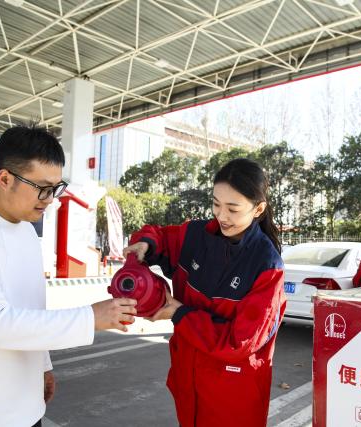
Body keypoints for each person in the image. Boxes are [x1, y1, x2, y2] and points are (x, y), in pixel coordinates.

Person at [0, 125, 137, 427]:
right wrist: (90, 317)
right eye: (42, 187)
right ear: (5, 179)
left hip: (26, 408)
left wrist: (42, 365)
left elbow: (31, 307)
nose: (50, 198)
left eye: (55, 188)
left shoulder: (25, 230)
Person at [122, 158, 286, 427]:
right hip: (188, 381)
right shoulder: (194, 236)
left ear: (258, 209)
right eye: (216, 204)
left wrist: (179, 313)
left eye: (233, 209)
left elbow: (240, 342)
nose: (222, 216)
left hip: (233, 396)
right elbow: (160, 235)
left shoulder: (266, 266)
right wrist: (145, 244)